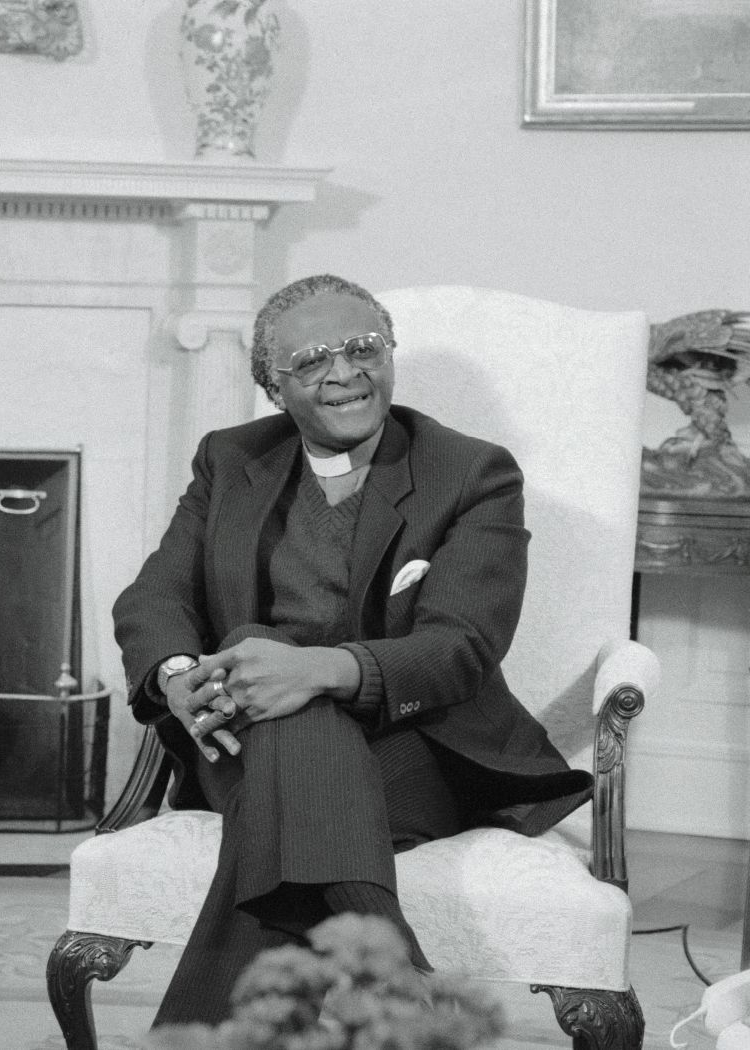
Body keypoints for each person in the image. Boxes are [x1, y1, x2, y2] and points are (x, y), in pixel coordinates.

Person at [112, 273, 593, 1026]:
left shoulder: (469, 471)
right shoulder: (230, 458)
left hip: (412, 744)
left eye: (362, 347)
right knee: (260, 663)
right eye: (310, 362)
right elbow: (155, 598)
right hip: (239, 734)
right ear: (274, 388)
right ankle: (392, 982)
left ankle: (222, 1029)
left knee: (262, 678)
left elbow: (463, 645)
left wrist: (316, 672)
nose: (344, 373)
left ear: (390, 354)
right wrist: (176, 676)